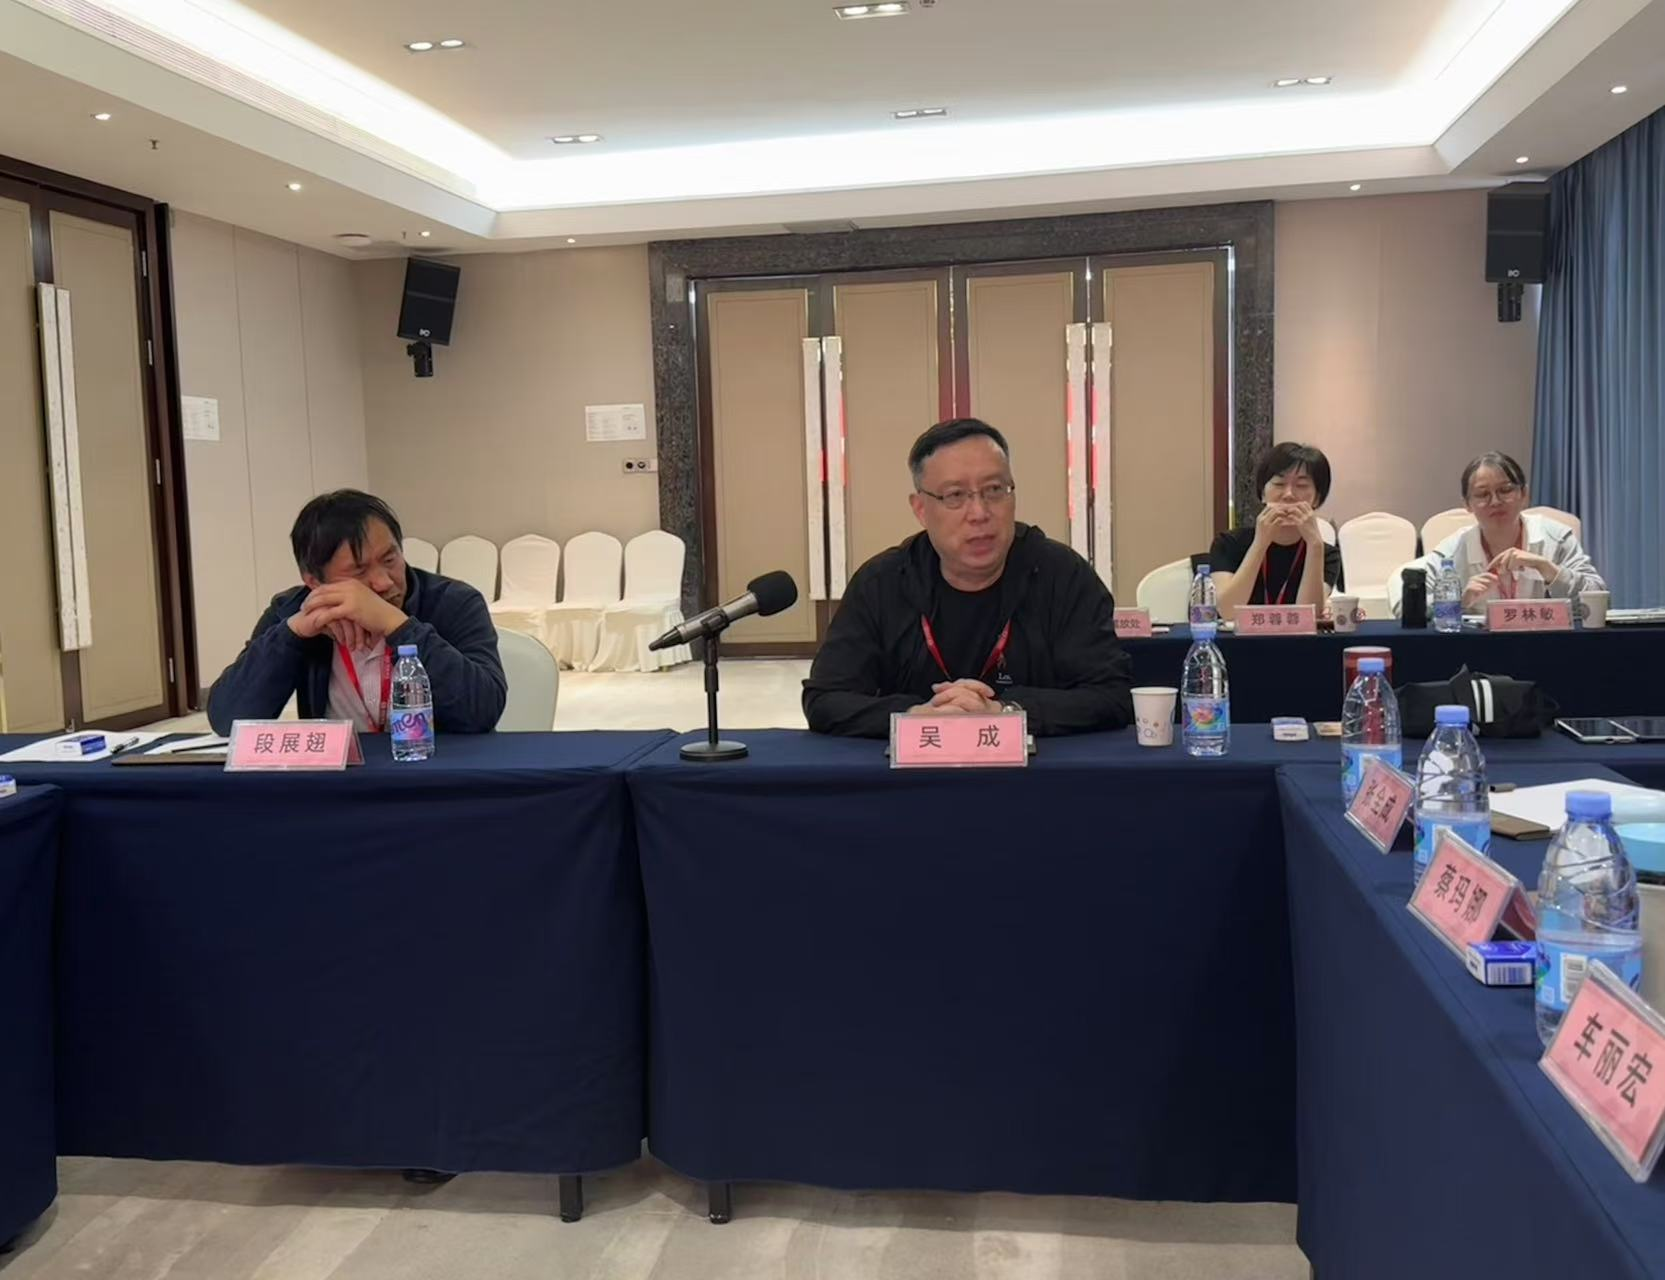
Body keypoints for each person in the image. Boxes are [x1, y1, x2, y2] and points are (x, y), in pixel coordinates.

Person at [803, 418, 1132, 737]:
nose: (979, 513)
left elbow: (1111, 696)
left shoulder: (1063, 575)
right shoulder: (881, 583)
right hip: (915, 770)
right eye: (955, 495)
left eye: (994, 490)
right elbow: (825, 699)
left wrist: (1007, 712)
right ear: (920, 509)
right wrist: (915, 715)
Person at [207, 490, 506, 736]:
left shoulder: (454, 602)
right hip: (339, 780)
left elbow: (483, 710)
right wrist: (292, 635)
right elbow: (227, 721)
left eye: (390, 559)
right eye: (359, 571)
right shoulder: (292, 612)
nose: (384, 582)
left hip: (436, 774)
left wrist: (397, 626)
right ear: (314, 582)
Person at [1394, 451, 1605, 613]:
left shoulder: (1556, 538)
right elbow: (1404, 607)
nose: (1495, 501)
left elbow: (1599, 599)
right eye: (1482, 494)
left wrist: (1548, 569)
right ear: (1467, 504)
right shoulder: (1453, 549)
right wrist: (1458, 602)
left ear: (1524, 494)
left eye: (1505, 490)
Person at [1207, 442, 1342, 613]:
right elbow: (1227, 611)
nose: (1288, 495)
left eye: (1301, 486)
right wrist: (1260, 543)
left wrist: (1315, 545)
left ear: (1317, 498)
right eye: (1279, 484)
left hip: (1296, 632)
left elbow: (1310, 616)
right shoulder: (1228, 543)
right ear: (1263, 493)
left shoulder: (1326, 554)